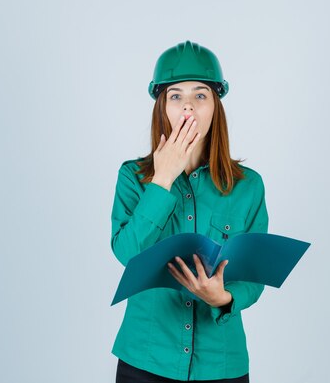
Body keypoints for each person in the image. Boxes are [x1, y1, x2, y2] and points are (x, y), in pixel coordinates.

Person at [110, 40, 269, 383]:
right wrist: (163, 179)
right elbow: (127, 254)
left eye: (200, 95)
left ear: (215, 106)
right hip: (145, 361)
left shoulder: (249, 186)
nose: (188, 108)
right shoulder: (133, 178)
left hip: (221, 365)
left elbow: (255, 275)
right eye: (176, 96)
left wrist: (224, 298)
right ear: (162, 107)